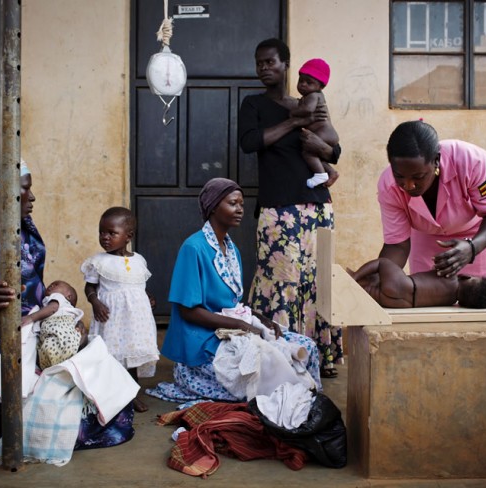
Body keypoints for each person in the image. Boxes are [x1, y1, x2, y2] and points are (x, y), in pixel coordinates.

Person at [0, 154, 134, 450]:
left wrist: (62, 317)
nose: (32, 197)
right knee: (67, 422)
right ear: (1, 192)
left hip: (36, 336)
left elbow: (35, 292)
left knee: (110, 399)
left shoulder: (26, 230)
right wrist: (3, 316)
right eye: (25, 188)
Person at [147, 178, 323, 403]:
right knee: (261, 367)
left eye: (241, 203)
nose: (240, 209)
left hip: (230, 329)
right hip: (203, 342)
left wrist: (262, 319)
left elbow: (232, 304)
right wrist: (242, 326)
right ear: (213, 206)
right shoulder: (194, 248)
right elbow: (188, 312)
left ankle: (304, 400)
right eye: (233, 203)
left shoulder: (231, 249)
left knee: (306, 346)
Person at [239, 38, 344, 379]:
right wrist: (293, 122)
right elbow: (250, 142)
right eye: (259, 63)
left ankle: (322, 355)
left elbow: (334, 149)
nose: (264, 68)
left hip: (317, 207)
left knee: (316, 282)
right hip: (277, 209)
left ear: (286, 64)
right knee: (281, 281)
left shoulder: (309, 102)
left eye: (270, 62)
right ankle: (282, 356)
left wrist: (322, 149)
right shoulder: (254, 105)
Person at [377, 120, 486, 284]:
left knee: (479, 300)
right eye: (399, 176)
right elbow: (397, 245)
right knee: (427, 301)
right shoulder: (388, 186)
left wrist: (472, 248)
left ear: (436, 161)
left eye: (418, 177)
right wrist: (380, 279)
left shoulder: (472, 161)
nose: (409, 185)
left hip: (479, 236)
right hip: (426, 240)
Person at [81, 207, 159, 413]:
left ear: (128, 237)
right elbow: (90, 286)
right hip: (112, 319)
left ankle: (131, 394)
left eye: (111, 233)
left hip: (135, 321)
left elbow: (136, 285)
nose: (105, 237)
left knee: (131, 357)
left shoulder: (139, 260)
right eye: (101, 232)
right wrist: (95, 302)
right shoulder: (98, 262)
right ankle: (111, 394)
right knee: (111, 356)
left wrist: (148, 296)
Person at [347, 257, 486, 308]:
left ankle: (354, 276)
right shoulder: (451, 301)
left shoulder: (451, 275)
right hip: (403, 303)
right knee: (373, 285)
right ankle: (356, 285)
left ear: (466, 277)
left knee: (383, 263)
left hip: (406, 284)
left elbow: (436, 265)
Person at [290, 58, 339, 188]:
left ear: (320, 86)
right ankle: (331, 172)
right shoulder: (309, 96)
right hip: (325, 134)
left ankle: (320, 174)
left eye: (309, 82)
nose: (303, 85)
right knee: (317, 156)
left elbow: (307, 109)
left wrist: (293, 112)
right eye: (301, 81)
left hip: (324, 133)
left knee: (307, 152)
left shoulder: (313, 95)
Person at [22, 280, 88, 370]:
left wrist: (31, 318)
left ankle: (44, 365)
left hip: (55, 339)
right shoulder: (69, 311)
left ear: (68, 296)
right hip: (70, 345)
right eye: (51, 284)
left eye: (56, 284)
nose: (51, 285)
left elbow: (52, 308)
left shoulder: (58, 298)